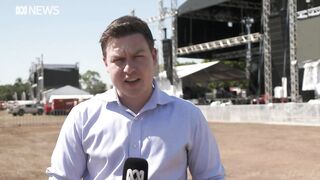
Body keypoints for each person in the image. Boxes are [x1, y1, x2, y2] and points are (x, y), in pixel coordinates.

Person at [46, 15, 225, 180]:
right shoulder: (82, 117)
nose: (129, 69)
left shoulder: (189, 116)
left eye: (138, 56)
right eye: (119, 60)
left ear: (153, 57)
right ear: (106, 63)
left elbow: (211, 176)